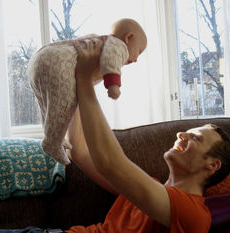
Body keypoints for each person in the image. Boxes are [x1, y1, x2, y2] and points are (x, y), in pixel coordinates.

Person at [0, 39, 230, 233]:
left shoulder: (193, 216)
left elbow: (110, 162)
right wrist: (76, 85)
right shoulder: (145, 188)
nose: (182, 133)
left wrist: (84, 77)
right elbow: (82, 152)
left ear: (212, 164)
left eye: (195, 137)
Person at [28, 18, 147, 165]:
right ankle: (51, 142)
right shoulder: (118, 45)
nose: (136, 60)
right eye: (139, 52)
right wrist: (113, 85)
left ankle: (54, 136)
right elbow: (111, 63)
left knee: (49, 105)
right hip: (58, 64)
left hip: (39, 61)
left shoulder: (97, 40)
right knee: (65, 104)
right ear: (129, 38)